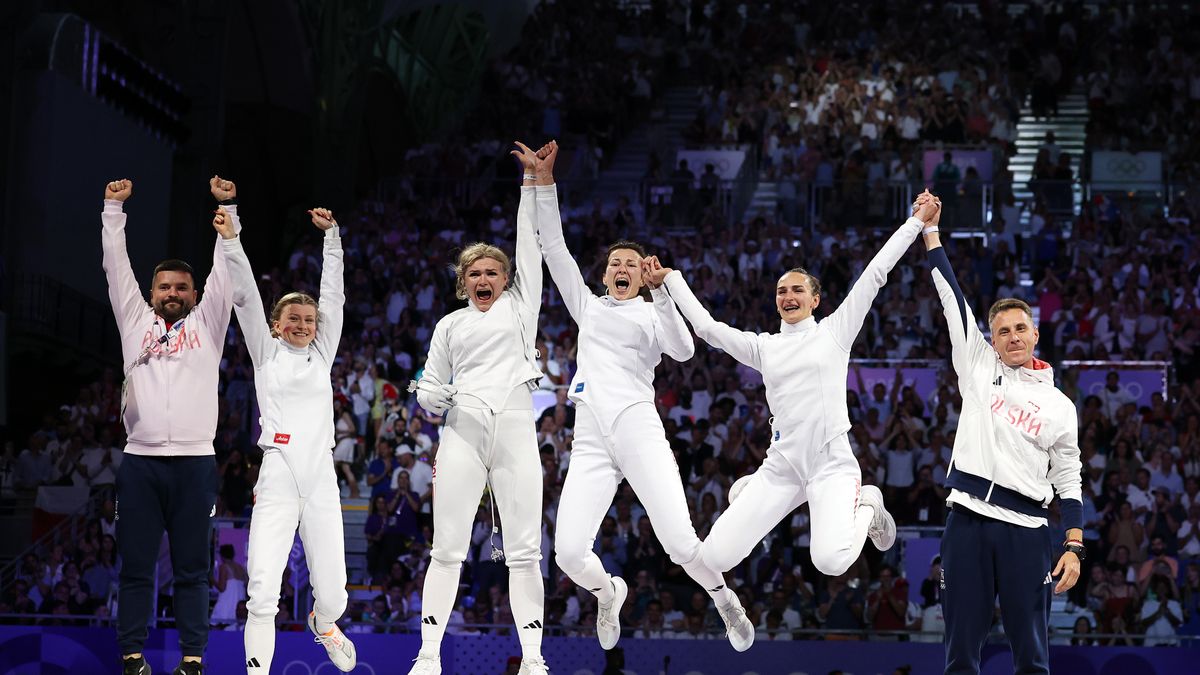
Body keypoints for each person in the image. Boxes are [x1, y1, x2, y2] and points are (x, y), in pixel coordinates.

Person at [536, 141, 754, 653]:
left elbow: (681, 351)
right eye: (615, 261)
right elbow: (553, 248)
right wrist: (545, 184)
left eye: (631, 263)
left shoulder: (653, 312)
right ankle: (607, 590)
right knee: (567, 553)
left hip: (637, 428)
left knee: (680, 543)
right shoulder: (587, 307)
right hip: (590, 435)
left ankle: (723, 598)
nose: (622, 267)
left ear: (642, 273)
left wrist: (663, 294)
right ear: (605, 272)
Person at [653, 203, 921, 582]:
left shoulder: (834, 331)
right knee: (715, 557)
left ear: (815, 300)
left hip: (831, 465)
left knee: (831, 561)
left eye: (798, 289)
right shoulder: (765, 347)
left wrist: (915, 222)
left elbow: (876, 273)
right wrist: (670, 280)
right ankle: (751, 489)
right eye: (781, 291)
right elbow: (708, 330)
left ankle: (868, 506)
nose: (788, 296)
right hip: (783, 467)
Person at [918, 191, 1083, 675]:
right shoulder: (976, 364)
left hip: (1027, 531)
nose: (1012, 337)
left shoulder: (1059, 406)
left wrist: (1073, 544)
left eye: (1020, 328)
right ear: (991, 339)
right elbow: (951, 295)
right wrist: (932, 233)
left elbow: (1068, 478)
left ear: (1035, 334)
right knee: (959, 656)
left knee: (1032, 658)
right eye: (1002, 330)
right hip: (966, 521)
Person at [406, 142, 549, 675]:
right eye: (475, 274)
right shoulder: (449, 325)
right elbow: (427, 388)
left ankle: (533, 659)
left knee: (526, 551)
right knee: (446, 549)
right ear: (462, 281)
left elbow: (527, 245)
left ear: (505, 279)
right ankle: (428, 656)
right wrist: (429, 395)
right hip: (461, 432)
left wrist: (529, 186)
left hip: (514, 430)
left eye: (493, 272)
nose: (484, 280)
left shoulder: (520, 306)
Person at [103, 177, 236, 675]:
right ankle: (132, 656)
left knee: (193, 571)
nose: (173, 293)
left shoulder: (208, 325)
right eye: (165, 286)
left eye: (182, 287)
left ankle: (193, 658)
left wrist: (228, 211)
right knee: (136, 568)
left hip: (196, 463)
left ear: (194, 293)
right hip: (139, 461)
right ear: (153, 292)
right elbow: (116, 267)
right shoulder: (134, 320)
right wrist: (112, 210)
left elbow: (226, 273)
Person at [217, 205, 357, 672]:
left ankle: (324, 623)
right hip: (278, 476)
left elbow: (333, 298)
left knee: (334, 594)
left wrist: (332, 239)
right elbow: (245, 297)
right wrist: (232, 232)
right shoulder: (265, 353)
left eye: (308, 320)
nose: (301, 324)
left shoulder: (322, 356)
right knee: (262, 591)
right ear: (277, 324)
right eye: (292, 318)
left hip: (320, 479)